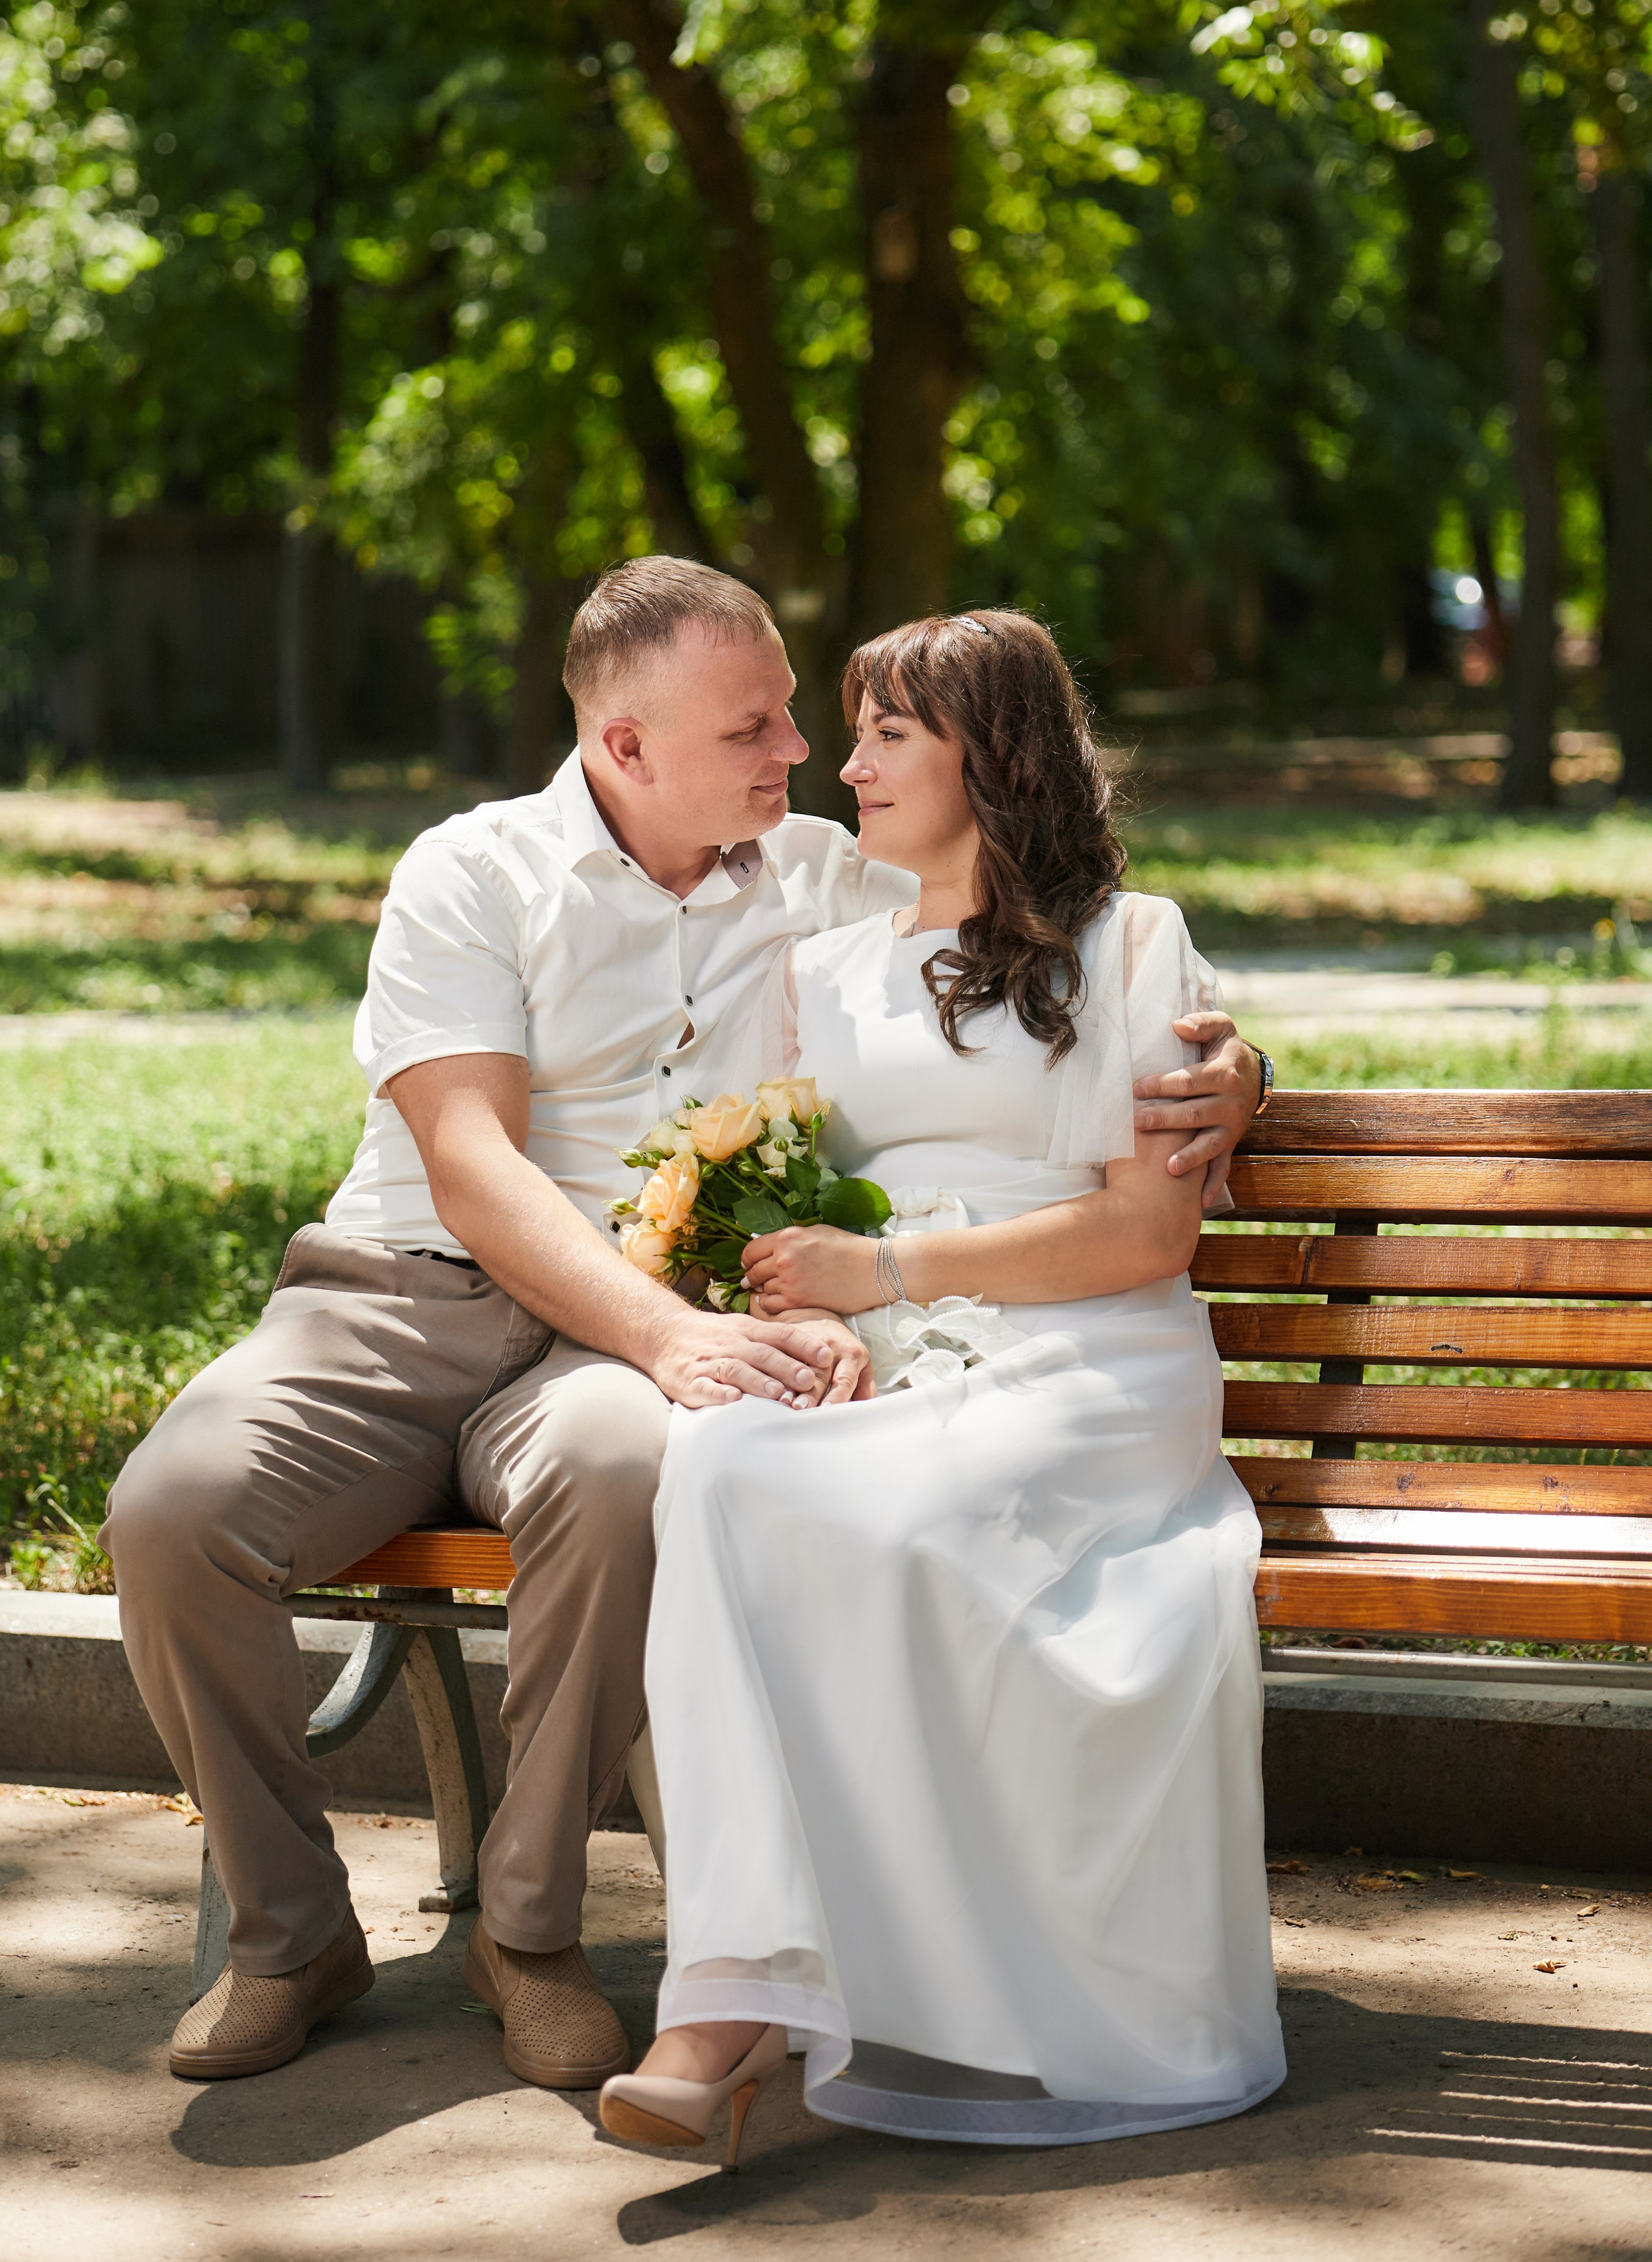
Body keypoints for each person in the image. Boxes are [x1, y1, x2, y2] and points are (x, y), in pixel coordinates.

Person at [101, 560, 1265, 2091]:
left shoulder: (821, 874)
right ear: (625, 749)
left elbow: (1048, 932)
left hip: (614, 1343)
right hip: (402, 1297)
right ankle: (289, 1934)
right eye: (757, 727)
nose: (799, 757)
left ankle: (525, 1933)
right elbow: (469, 1167)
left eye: (801, 719)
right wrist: (667, 1336)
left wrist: (1236, 1066)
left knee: (628, 1478)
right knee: (171, 1513)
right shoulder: (473, 871)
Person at [598, 609, 1284, 2166]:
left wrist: (892, 1273)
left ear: (998, 752)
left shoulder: (1128, 941)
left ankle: (786, 2001)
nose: (845, 768)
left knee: (886, 1531)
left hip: (1093, 1362)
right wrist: (802, 1290)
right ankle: (733, 1984)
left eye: (887, 736)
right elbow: (778, 1194)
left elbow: (1145, 1229)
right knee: (715, 1470)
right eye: (847, 735)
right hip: (893, 1357)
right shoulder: (820, 966)